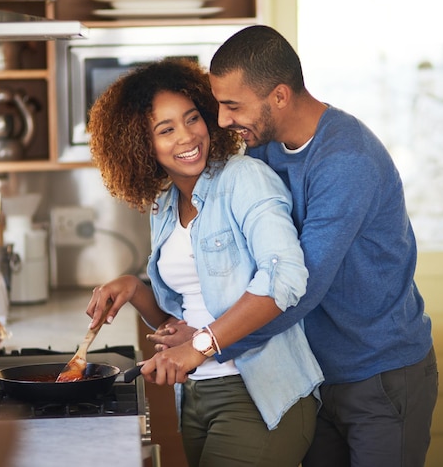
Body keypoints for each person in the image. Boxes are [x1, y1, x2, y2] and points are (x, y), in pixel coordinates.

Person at [149, 24, 434, 467]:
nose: (222, 121)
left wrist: (209, 341)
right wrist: (204, 328)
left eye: (232, 106)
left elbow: (299, 286)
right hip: (313, 374)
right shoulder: (266, 149)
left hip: (378, 373)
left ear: (279, 96)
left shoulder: (346, 161)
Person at [85, 58, 323, 467]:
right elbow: (181, 321)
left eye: (192, 118)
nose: (187, 136)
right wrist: (134, 290)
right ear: (144, 145)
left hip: (259, 395)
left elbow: (285, 276)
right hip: (195, 396)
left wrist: (201, 345)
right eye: (166, 129)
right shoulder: (163, 204)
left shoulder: (243, 179)